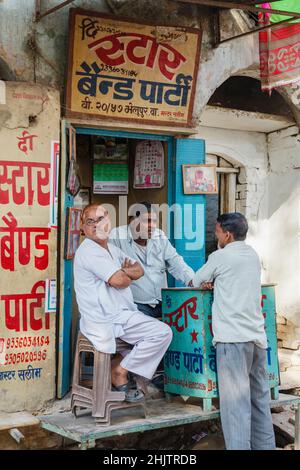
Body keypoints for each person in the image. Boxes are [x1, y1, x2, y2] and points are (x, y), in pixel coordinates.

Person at [192, 212, 275, 450]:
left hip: (232, 340)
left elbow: (196, 281)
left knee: (235, 405)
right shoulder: (252, 255)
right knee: (259, 399)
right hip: (257, 338)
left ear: (227, 235)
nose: (215, 235)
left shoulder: (220, 256)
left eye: (217, 232)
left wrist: (210, 281)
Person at [74, 203, 173, 402]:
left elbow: (138, 270)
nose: (96, 225)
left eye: (100, 219)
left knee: (155, 337)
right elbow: (119, 281)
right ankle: (120, 372)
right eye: (90, 222)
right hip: (105, 319)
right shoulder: (89, 250)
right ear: (83, 228)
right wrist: (123, 275)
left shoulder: (111, 248)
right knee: (162, 332)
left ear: (108, 222)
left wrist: (124, 273)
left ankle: (120, 369)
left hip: (122, 315)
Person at [109, 201, 194, 319]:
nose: (152, 226)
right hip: (135, 304)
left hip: (162, 301)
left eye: (154, 221)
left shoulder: (159, 236)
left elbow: (176, 262)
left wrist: (193, 281)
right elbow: (111, 271)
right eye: (146, 221)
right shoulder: (117, 236)